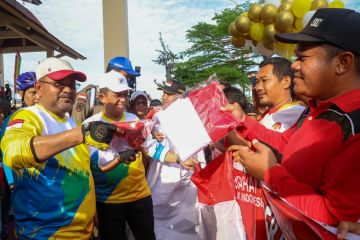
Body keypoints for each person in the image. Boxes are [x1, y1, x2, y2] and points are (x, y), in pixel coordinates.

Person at [226, 8, 360, 226]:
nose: (294, 66)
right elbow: (286, 145)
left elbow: (335, 219)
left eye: (303, 57)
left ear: (343, 63)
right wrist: (242, 120)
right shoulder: (320, 110)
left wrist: (270, 173)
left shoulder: (353, 126)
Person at [0, 57, 121, 239]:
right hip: (45, 234)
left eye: (72, 85)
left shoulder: (71, 122)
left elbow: (85, 170)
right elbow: (14, 152)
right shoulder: (28, 116)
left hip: (82, 232)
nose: (68, 90)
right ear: (39, 88)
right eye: (59, 84)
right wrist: (80, 135)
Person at [83, 71, 155, 240]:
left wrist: (179, 158)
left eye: (125, 94)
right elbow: (96, 168)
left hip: (140, 196)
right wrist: (119, 159)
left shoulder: (134, 120)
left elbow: (151, 148)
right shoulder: (90, 126)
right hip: (108, 201)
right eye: (117, 95)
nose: (123, 99)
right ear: (102, 97)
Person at [146, 79, 202, 240]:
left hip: (185, 179)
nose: (164, 97)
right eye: (163, 92)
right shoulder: (158, 117)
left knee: (185, 222)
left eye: (169, 94)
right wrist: (151, 135)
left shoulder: (193, 117)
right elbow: (148, 144)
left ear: (180, 96)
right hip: (161, 177)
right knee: (157, 217)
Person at [0, 71, 38, 240]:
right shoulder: (13, 119)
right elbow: (6, 153)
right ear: (21, 94)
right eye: (32, 92)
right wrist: (12, 182)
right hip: (19, 182)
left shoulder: (47, 116)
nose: (37, 96)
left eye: (39, 91)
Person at [255, 57, 305, 132]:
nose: (257, 88)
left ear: (285, 82)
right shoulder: (266, 116)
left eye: (264, 80)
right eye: (257, 81)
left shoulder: (300, 115)